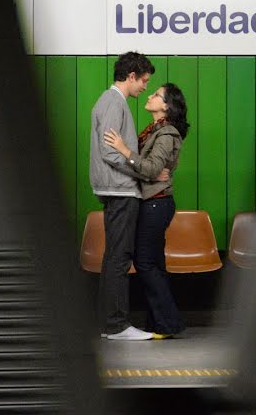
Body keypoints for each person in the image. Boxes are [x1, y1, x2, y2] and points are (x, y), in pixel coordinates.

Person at [104, 82, 189, 339]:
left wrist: (124, 150)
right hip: (152, 201)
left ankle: (169, 322)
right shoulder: (155, 130)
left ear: (166, 106)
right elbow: (151, 169)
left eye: (156, 95)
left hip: (156, 204)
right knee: (155, 263)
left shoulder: (167, 133)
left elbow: (152, 169)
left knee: (145, 262)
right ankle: (159, 323)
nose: (150, 95)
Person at [90, 51, 155, 341]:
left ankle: (110, 323)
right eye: (143, 80)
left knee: (115, 256)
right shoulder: (113, 102)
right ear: (131, 76)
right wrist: (141, 171)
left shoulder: (112, 102)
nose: (145, 87)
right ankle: (116, 325)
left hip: (116, 188)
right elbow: (110, 151)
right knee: (119, 257)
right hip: (120, 189)